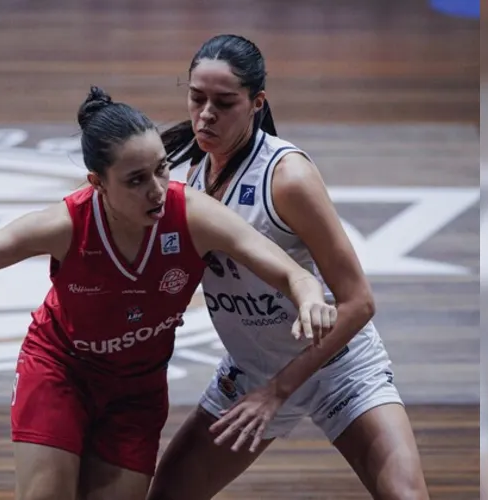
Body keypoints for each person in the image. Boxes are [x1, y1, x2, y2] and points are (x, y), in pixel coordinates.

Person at [0, 86, 337, 500]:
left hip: (137, 388)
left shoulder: (191, 214)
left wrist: (309, 293)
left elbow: (289, 270)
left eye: (161, 169)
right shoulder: (65, 224)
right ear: (97, 183)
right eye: (135, 180)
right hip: (60, 370)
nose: (156, 189)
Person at [148, 35, 431, 500]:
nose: (205, 114)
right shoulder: (194, 173)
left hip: (339, 367)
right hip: (253, 372)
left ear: (257, 103)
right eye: (197, 98)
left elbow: (359, 302)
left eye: (224, 103)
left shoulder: (288, 177)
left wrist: (278, 391)